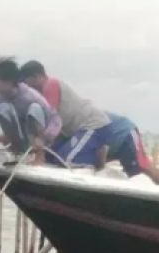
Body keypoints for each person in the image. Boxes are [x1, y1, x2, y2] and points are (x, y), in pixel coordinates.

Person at [20, 60, 159, 183]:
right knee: (75, 160)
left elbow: (49, 118)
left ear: (37, 77)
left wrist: (40, 144)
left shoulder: (51, 86)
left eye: (26, 85)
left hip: (123, 132)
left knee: (144, 166)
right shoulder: (68, 113)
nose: (27, 90)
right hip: (102, 135)